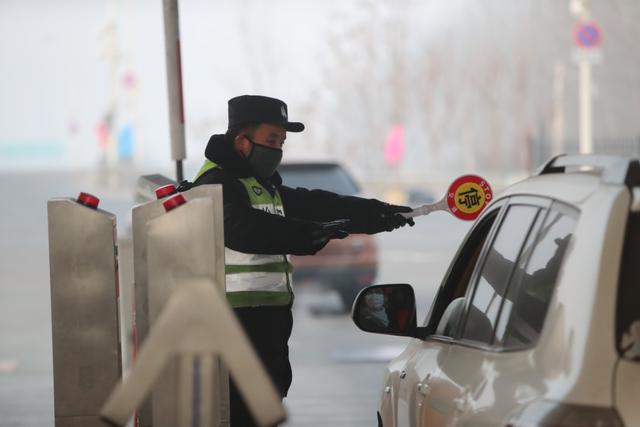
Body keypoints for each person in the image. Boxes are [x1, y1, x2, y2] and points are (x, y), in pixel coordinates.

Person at [185, 95, 414, 426]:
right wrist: (306, 235)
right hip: (231, 328)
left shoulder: (260, 185)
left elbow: (316, 205)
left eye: (281, 143)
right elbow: (240, 228)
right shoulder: (215, 183)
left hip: (265, 327)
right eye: (271, 141)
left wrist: (376, 214)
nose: (277, 151)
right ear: (241, 142)